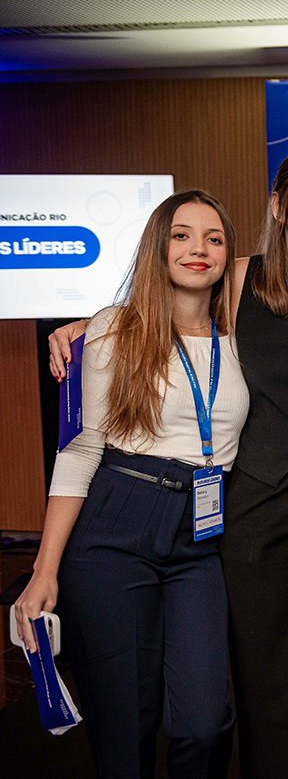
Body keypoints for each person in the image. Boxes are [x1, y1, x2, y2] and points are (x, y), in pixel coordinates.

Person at [48, 147, 288, 779]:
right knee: (266, 679)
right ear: (280, 207)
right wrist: (87, 326)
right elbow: (163, 303)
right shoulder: (239, 279)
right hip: (254, 509)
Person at [16, 190, 248, 777]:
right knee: (127, 723)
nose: (199, 249)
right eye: (181, 235)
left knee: (204, 721)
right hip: (116, 524)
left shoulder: (244, 335)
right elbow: (81, 451)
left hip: (201, 536)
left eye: (214, 238)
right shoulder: (115, 330)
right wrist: (44, 571)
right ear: (156, 247)